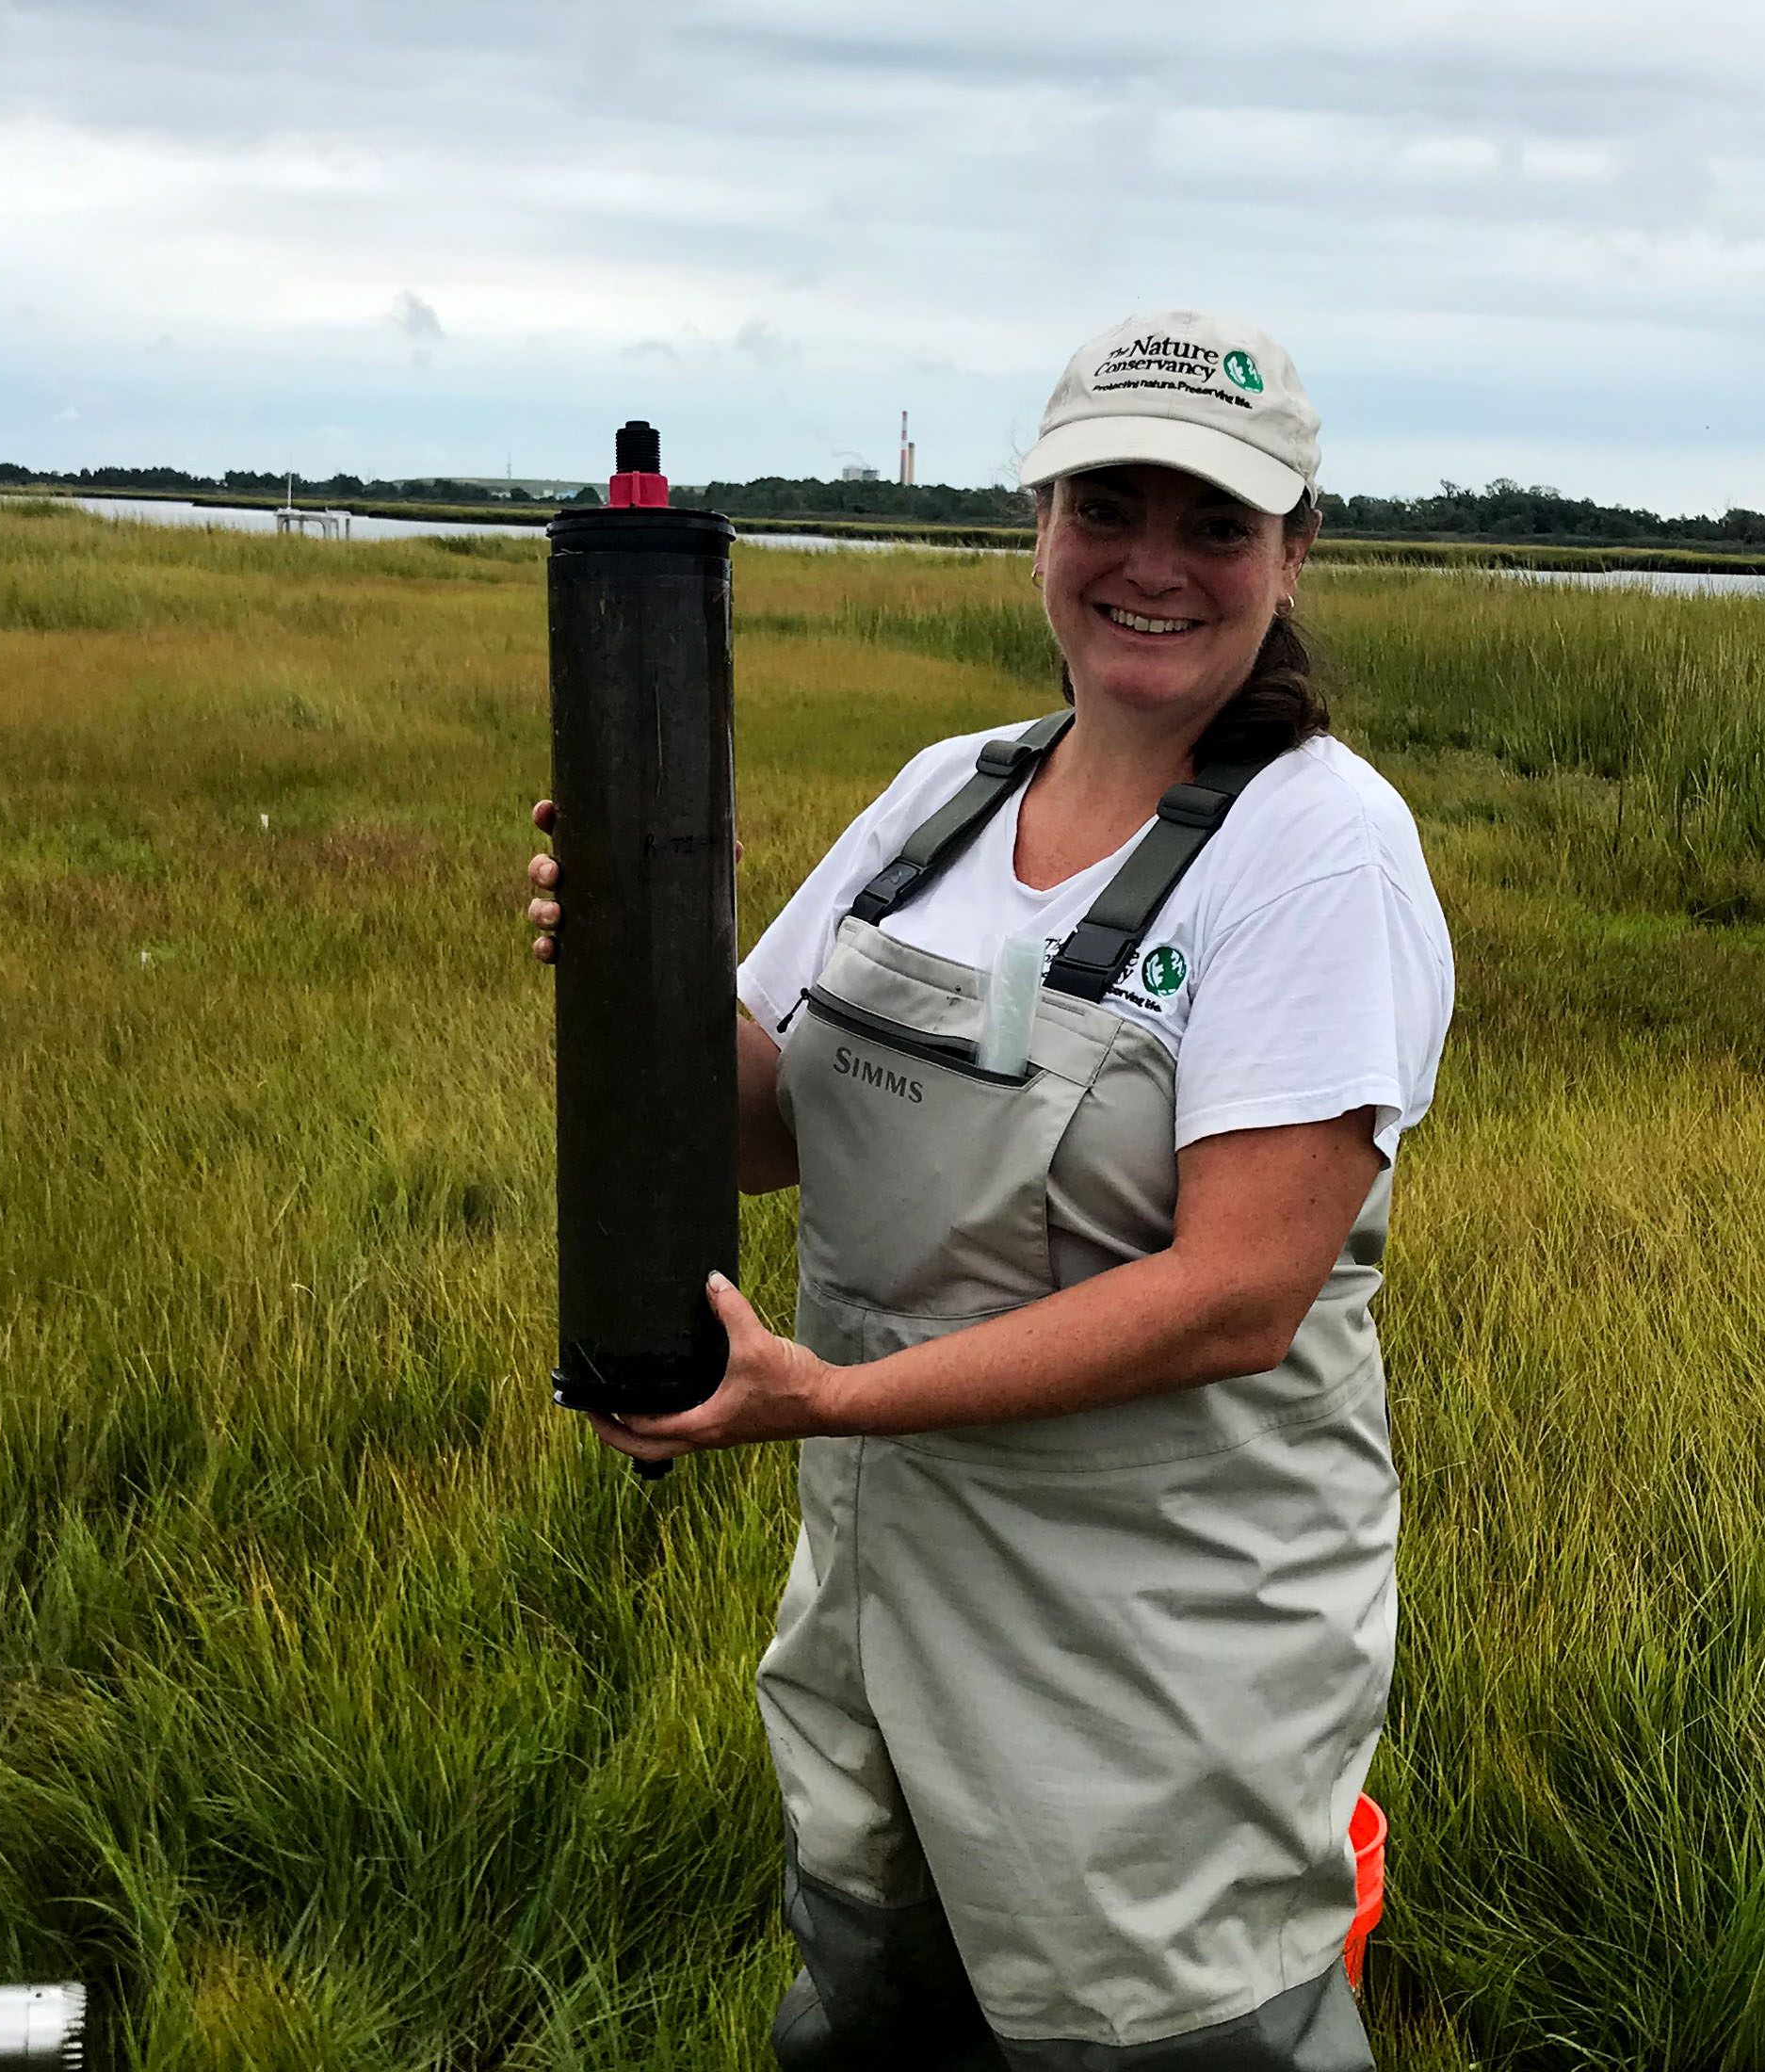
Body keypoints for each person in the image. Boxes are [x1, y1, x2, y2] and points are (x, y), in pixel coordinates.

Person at [523, 311, 1453, 2069]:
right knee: (880, 2013)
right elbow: (758, 1128)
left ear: (1295, 548)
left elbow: (1238, 1294)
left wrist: (836, 1400)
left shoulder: (1321, 847)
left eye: (1215, 525)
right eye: (1108, 508)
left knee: (1165, 2037)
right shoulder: (944, 797)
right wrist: (632, 974)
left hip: (1157, 1662)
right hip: (884, 1612)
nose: (1153, 568)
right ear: (1039, 521)